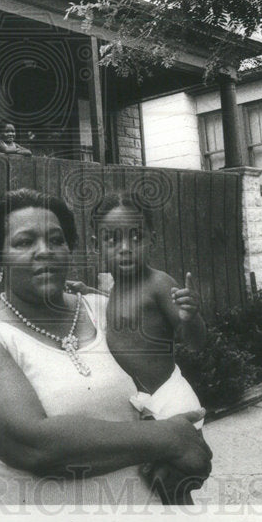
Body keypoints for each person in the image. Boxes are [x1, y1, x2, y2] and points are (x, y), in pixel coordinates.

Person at [0, 189, 212, 506]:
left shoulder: (103, 309)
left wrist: (178, 466)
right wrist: (172, 438)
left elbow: (156, 387)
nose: (45, 251)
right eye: (24, 241)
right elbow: (36, 447)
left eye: (57, 240)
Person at [66, 193, 208, 503]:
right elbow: (116, 309)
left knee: (175, 483)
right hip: (145, 406)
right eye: (112, 239)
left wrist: (191, 317)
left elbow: (196, 343)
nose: (125, 247)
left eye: (136, 236)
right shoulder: (115, 287)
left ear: (152, 239)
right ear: (96, 245)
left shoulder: (158, 284)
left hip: (170, 399)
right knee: (154, 487)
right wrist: (85, 290)